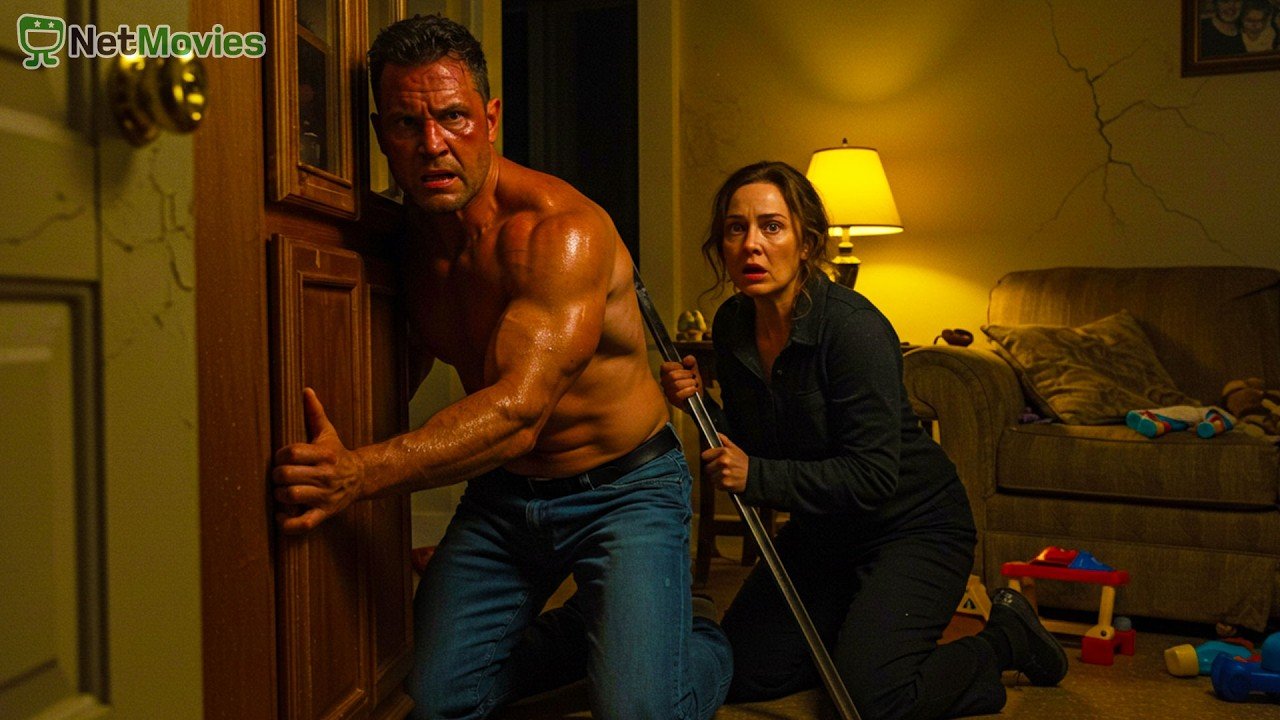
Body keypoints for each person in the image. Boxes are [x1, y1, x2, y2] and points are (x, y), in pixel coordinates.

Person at [271, 14, 732, 720]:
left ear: (489, 119)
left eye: (453, 117)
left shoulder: (560, 232)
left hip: (624, 490)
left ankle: (696, 638)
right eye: (407, 124)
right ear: (380, 133)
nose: (433, 144)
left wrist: (358, 473)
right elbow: (393, 379)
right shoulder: (405, 244)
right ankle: (604, 630)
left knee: (638, 710)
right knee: (436, 700)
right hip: (507, 497)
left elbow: (518, 413)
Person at [660, 161, 1068, 720]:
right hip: (824, 531)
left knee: (873, 698)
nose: (752, 243)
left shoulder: (853, 328)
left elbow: (871, 475)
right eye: (736, 228)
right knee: (744, 671)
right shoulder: (732, 324)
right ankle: (857, 633)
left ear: (807, 243)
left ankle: (1006, 640)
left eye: (772, 226)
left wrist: (757, 475)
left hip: (911, 527)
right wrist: (696, 405)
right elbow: (755, 444)